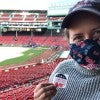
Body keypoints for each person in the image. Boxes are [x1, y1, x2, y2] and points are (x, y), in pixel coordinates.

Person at [34, 0, 100, 100]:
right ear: (69, 41)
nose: (89, 43)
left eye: (97, 33)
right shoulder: (62, 70)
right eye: (78, 37)